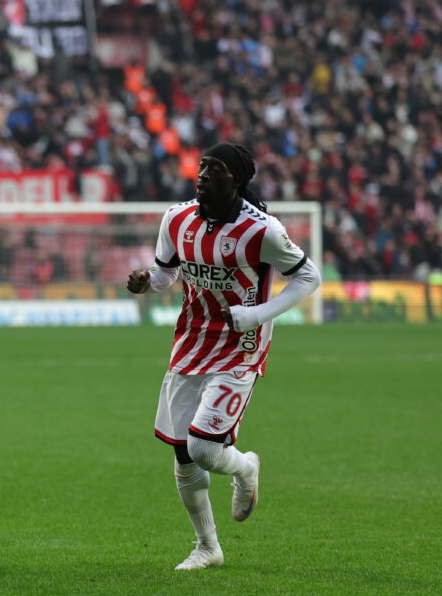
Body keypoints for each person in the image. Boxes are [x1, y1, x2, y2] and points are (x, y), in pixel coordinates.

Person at [127, 143, 322, 570]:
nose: (201, 175)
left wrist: (257, 314)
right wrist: (147, 281)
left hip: (240, 348)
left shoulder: (262, 230)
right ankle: (207, 547)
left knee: (201, 445)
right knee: (182, 452)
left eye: (213, 169)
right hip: (192, 342)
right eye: (200, 167)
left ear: (235, 178)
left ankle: (245, 468)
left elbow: (309, 276)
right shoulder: (176, 219)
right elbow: (167, 273)